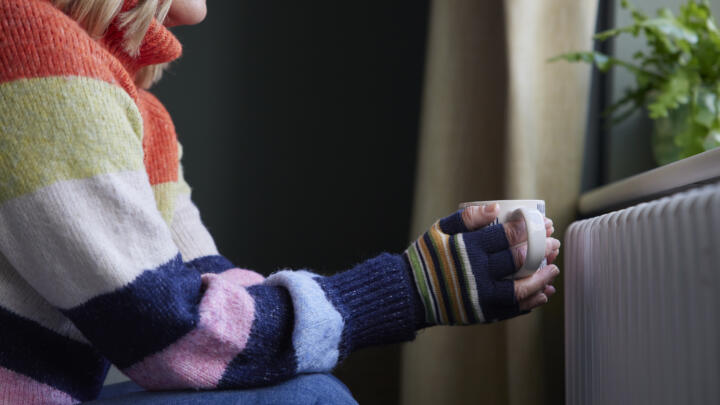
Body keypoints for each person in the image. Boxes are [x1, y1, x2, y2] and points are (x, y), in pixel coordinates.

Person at [0, 0, 561, 403]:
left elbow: (212, 297)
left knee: (310, 392)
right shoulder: (28, 45)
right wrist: (414, 289)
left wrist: (435, 275)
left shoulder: (134, 107)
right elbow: (175, 335)